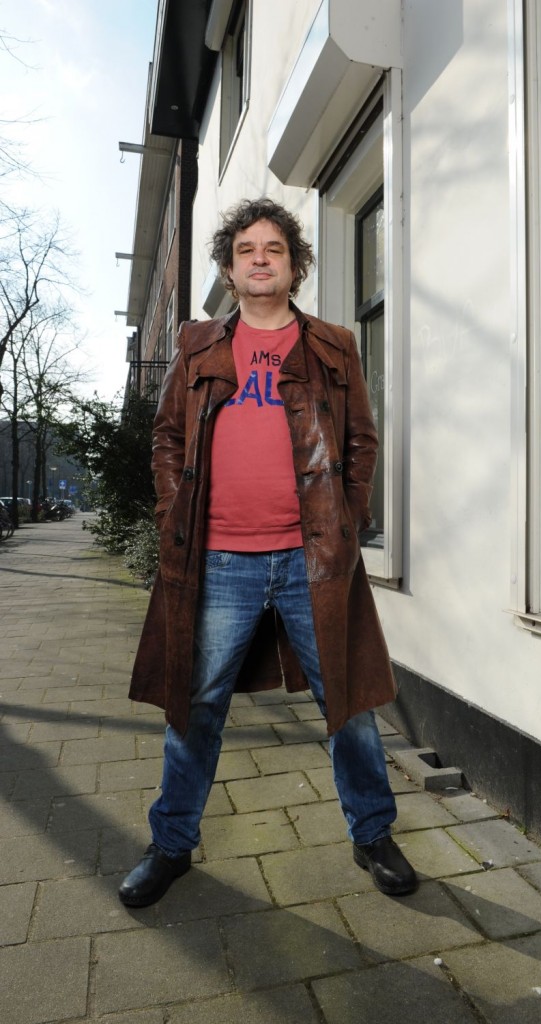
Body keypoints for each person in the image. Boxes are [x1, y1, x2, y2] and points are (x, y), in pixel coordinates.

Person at [119, 197, 417, 908]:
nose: (260, 259)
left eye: (274, 249)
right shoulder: (198, 345)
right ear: (229, 268)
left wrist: (347, 520)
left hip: (313, 562)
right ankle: (170, 845)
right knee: (194, 706)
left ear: (293, 265)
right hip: (218, 560)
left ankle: (372, 833)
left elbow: (361, 441)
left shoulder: (332, 345)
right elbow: (167, 437)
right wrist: (171, 514)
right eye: (247, 249)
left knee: (347, 701)